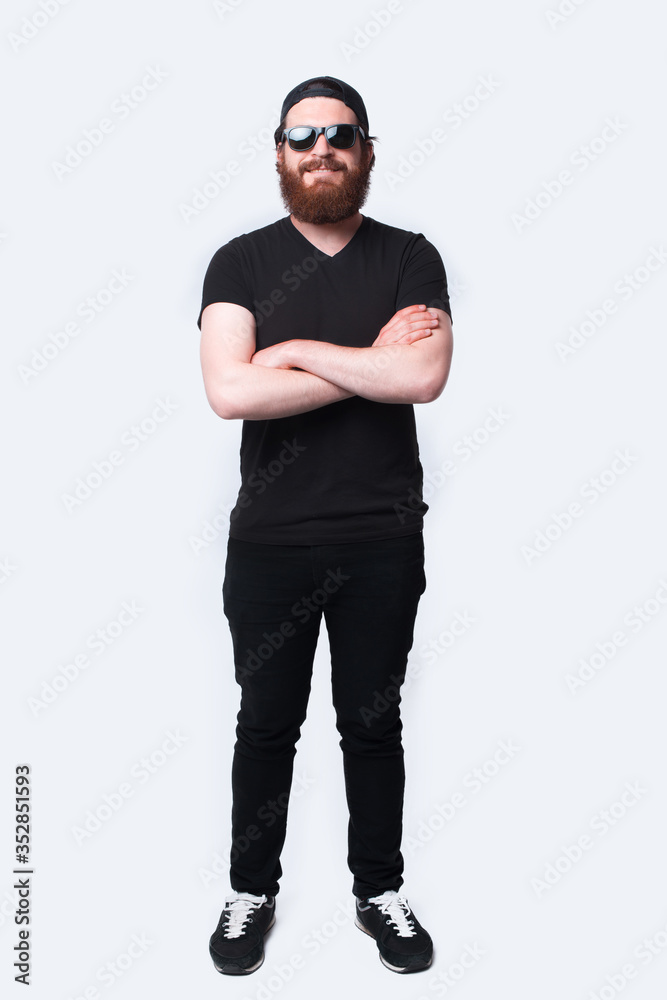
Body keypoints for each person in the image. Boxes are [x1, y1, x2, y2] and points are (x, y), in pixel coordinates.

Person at [197, 75, 453, 976]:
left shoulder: (410, 259)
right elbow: (231, 390)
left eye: (339, 133)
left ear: (367, 150)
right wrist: (364, 361)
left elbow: (419, 380)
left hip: (382, 536)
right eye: (301, 136)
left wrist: (295, 351)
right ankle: (249, 890)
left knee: (371, 724)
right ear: (278, 153)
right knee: (266, 723)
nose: (321, 149)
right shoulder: (240, 262)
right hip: (269, 542)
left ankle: (377, 890)